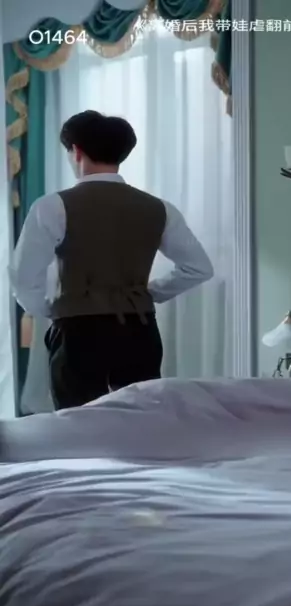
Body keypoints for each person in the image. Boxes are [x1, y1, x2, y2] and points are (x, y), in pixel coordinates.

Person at [9, 110, 214, 410]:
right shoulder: (159, 208)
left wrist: (52, 309)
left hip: (78, 330)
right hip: (139, 328)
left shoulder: (52, 206)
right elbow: (198, 268)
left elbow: (24, 277)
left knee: (79, 421)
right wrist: (147, 293)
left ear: (76, 151)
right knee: (140, 418)